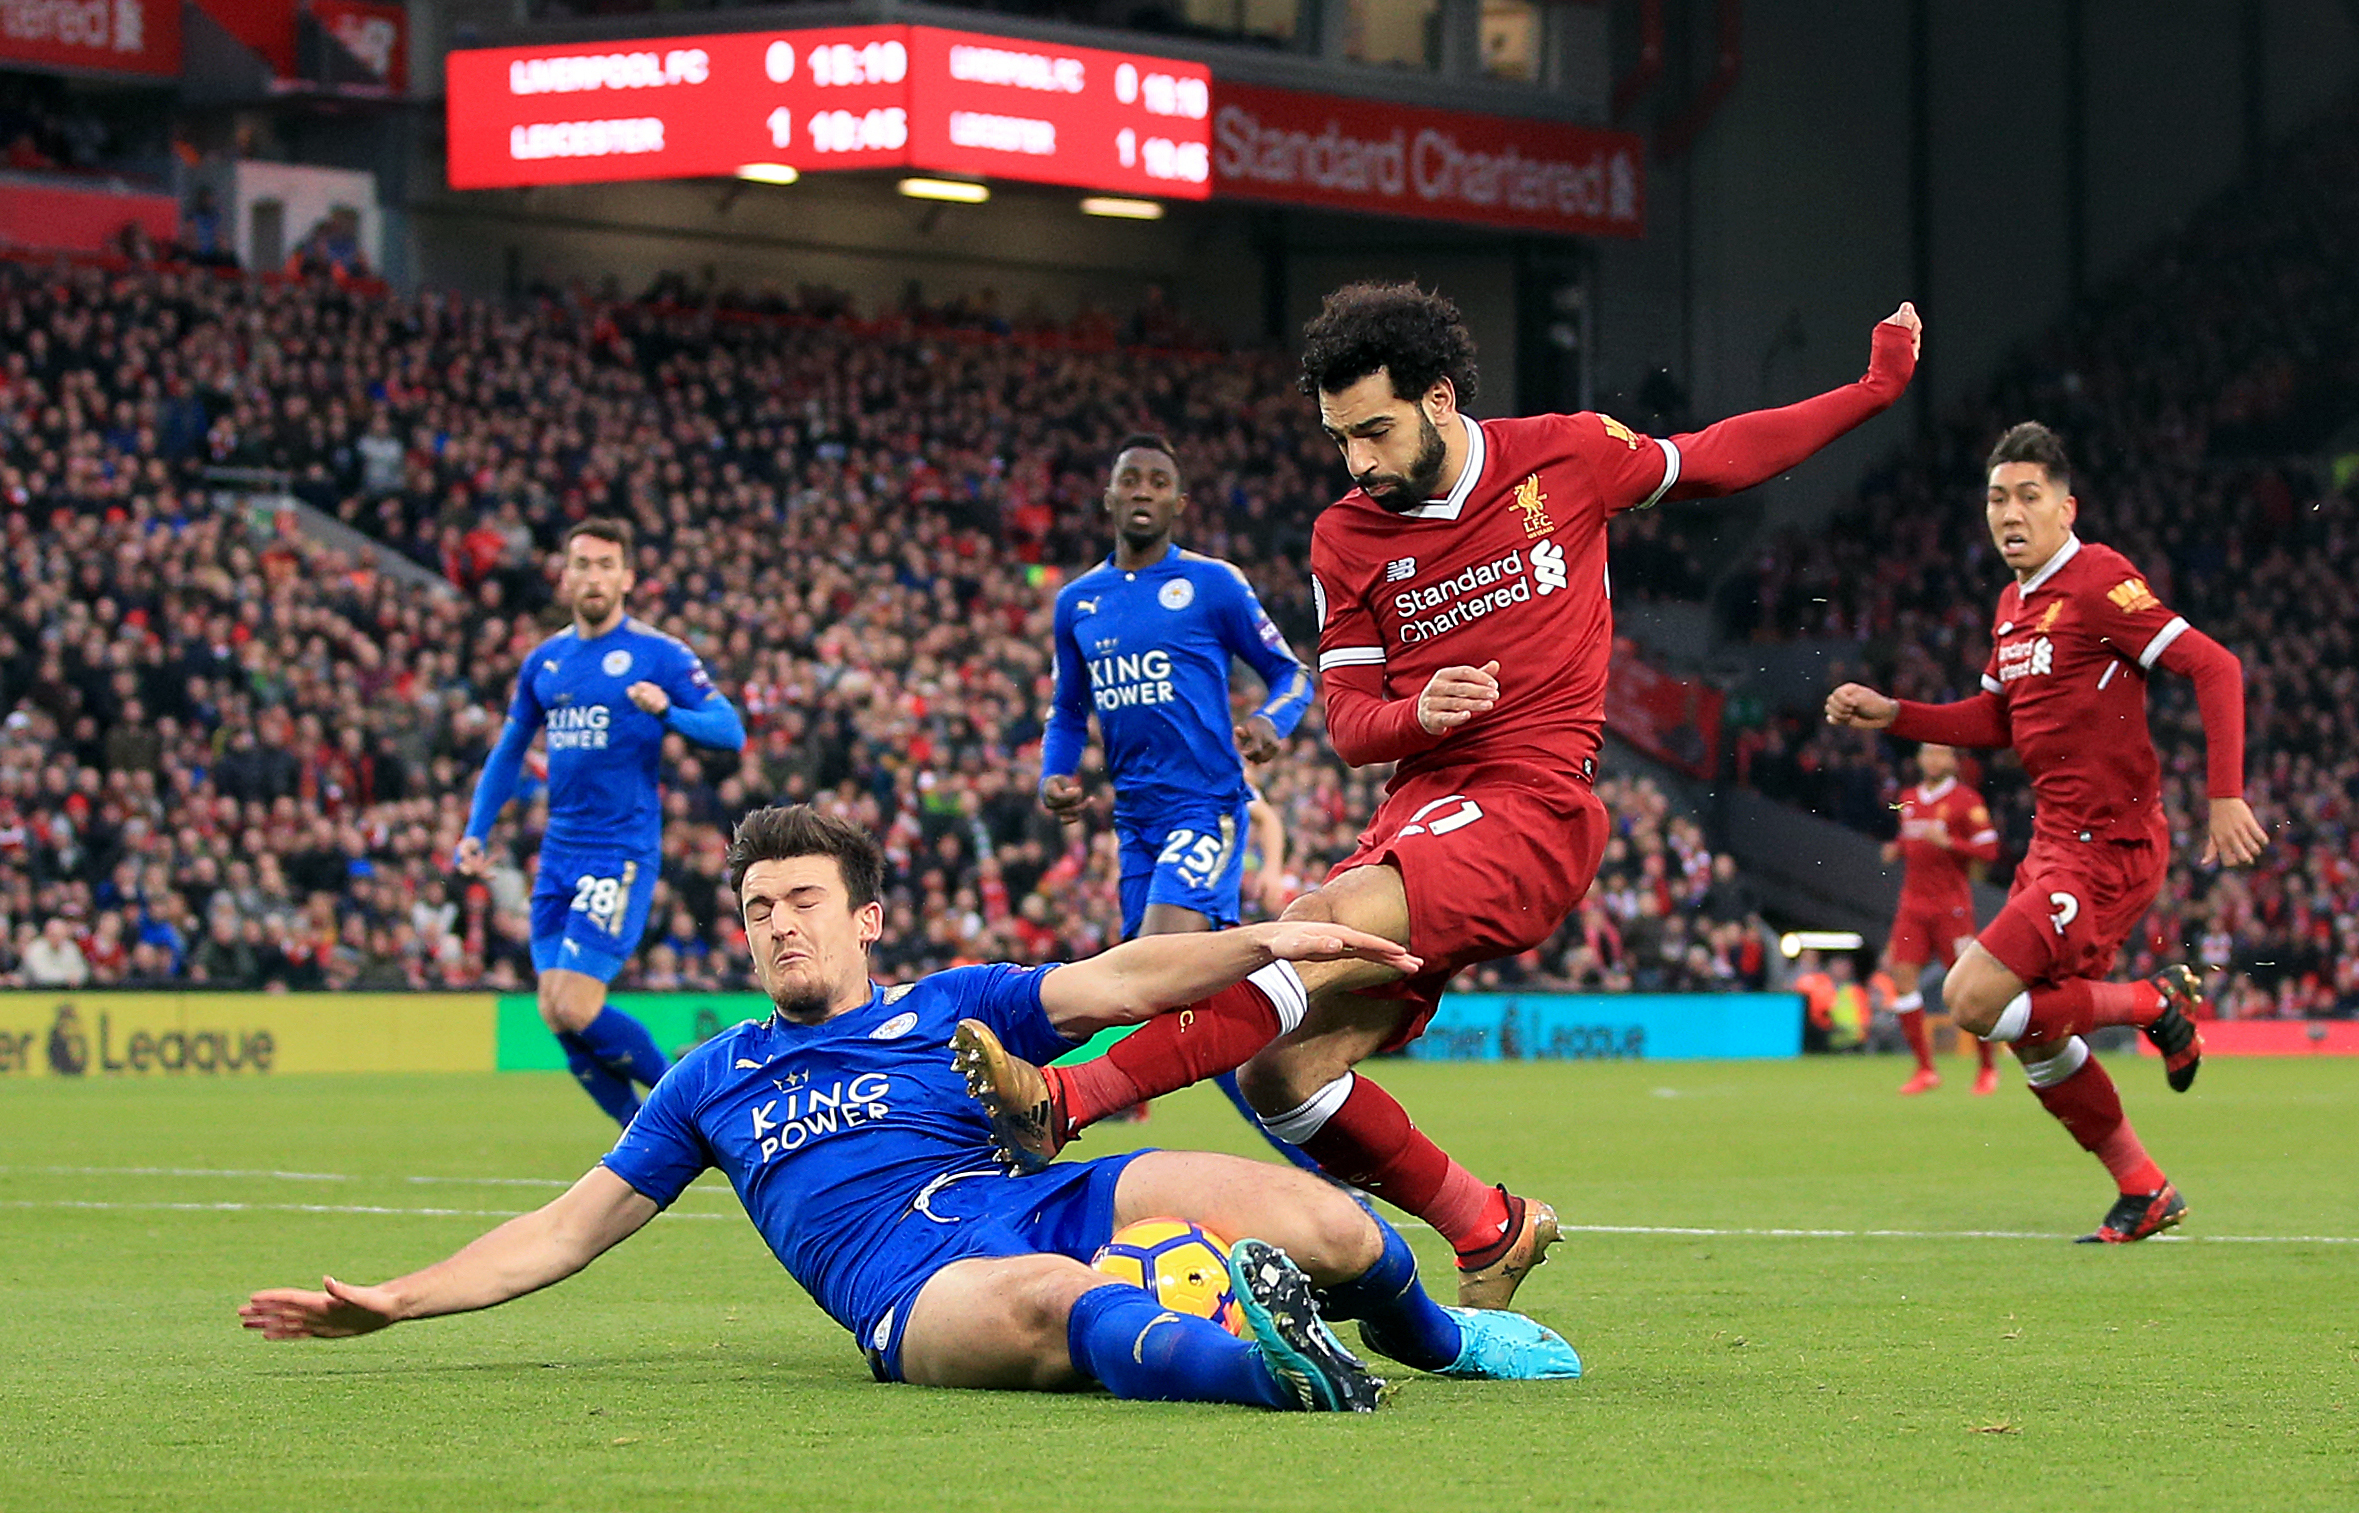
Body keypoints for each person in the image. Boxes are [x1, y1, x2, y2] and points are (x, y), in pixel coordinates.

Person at [961, 282, 1922, 1308]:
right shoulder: (1345, 536)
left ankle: (1067, 1098)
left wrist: (1871, 390)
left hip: (1534, 806)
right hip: (1421, 808)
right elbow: (1344, 721)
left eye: (1374, 430)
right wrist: (1416, 716)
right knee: (1279, 1077)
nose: (1358, 462)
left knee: (1311, 926)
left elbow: (1718, 454)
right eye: (1339, 439)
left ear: (1439, 397)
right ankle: (1487, 1226)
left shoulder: (1564, 454)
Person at [240, 806, 1582, 1410]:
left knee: (1318, 1217)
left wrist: (1268, 941)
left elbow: (1119, 975)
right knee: (1052, 1310)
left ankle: (1437, 1338)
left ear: (865, 917)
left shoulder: (955, 1004)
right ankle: (1279, 1375)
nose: (778, 925)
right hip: (908, 1282)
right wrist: (395, 1300)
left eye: (803, 900)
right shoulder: (713, 1078)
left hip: (1040, 1191)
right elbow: (565, 1228)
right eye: (758, 907)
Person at [1824, 421, 2264, 1242]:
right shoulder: (2013, 604)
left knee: (1971, 997)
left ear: (2067, 507)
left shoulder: (2098, 579)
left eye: (2029, 495)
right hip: (2054, 846)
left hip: (2108, 848)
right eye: (1997, 497)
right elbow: (1997, 717)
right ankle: (2145, 1185)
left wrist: (2226, 795)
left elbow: (2216, 666)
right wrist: (1896, 713)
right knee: (2032, 1034)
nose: (2010, 512)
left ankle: (2152, 1001)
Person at [1039, 433, 1314, 1148]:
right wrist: (1055, 774)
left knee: (1154, 966)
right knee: (1179, 1003)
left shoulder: (1214, 584)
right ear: (1108, 497)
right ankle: (1319, 1146)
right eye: (1130, 479)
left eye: (1158, 481)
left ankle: (1058, 1106)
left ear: (1178, 502)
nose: (1142, 491)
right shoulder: (1078, 603)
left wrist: (1269, 721)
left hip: (1207, 807)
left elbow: (1292, 674)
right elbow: (1069, 709)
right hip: (1135, 822)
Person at [456, 518, 746, 1126]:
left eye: (606, 565)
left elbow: (730, 730)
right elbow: (509, 750)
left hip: (620, 849)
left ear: (627, 578)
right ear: (564, 578)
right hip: (559, 854)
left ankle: (693, 1110)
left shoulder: (658, 654)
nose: (594, 576)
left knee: (578, 1003)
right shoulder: (546, 662)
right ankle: (640, 1136)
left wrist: (669, 711)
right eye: (582, 564)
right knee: (553, 1010)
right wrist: (476, 830)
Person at [1881, 742, 2001, 1095]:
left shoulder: (1967, 801)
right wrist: (1897, 849)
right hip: (1912, 906)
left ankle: (1988, 1067)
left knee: (1968, 989)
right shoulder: (1906, 798)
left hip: (1952, 908)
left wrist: (1950, 843)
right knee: (1902, 978)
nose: (1933, 760)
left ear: (1952, 761)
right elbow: (1909, 837)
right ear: (1919, 759)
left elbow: (1990, 851)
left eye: (1940, 753)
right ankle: (1925, 1068)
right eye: (1927, 753)